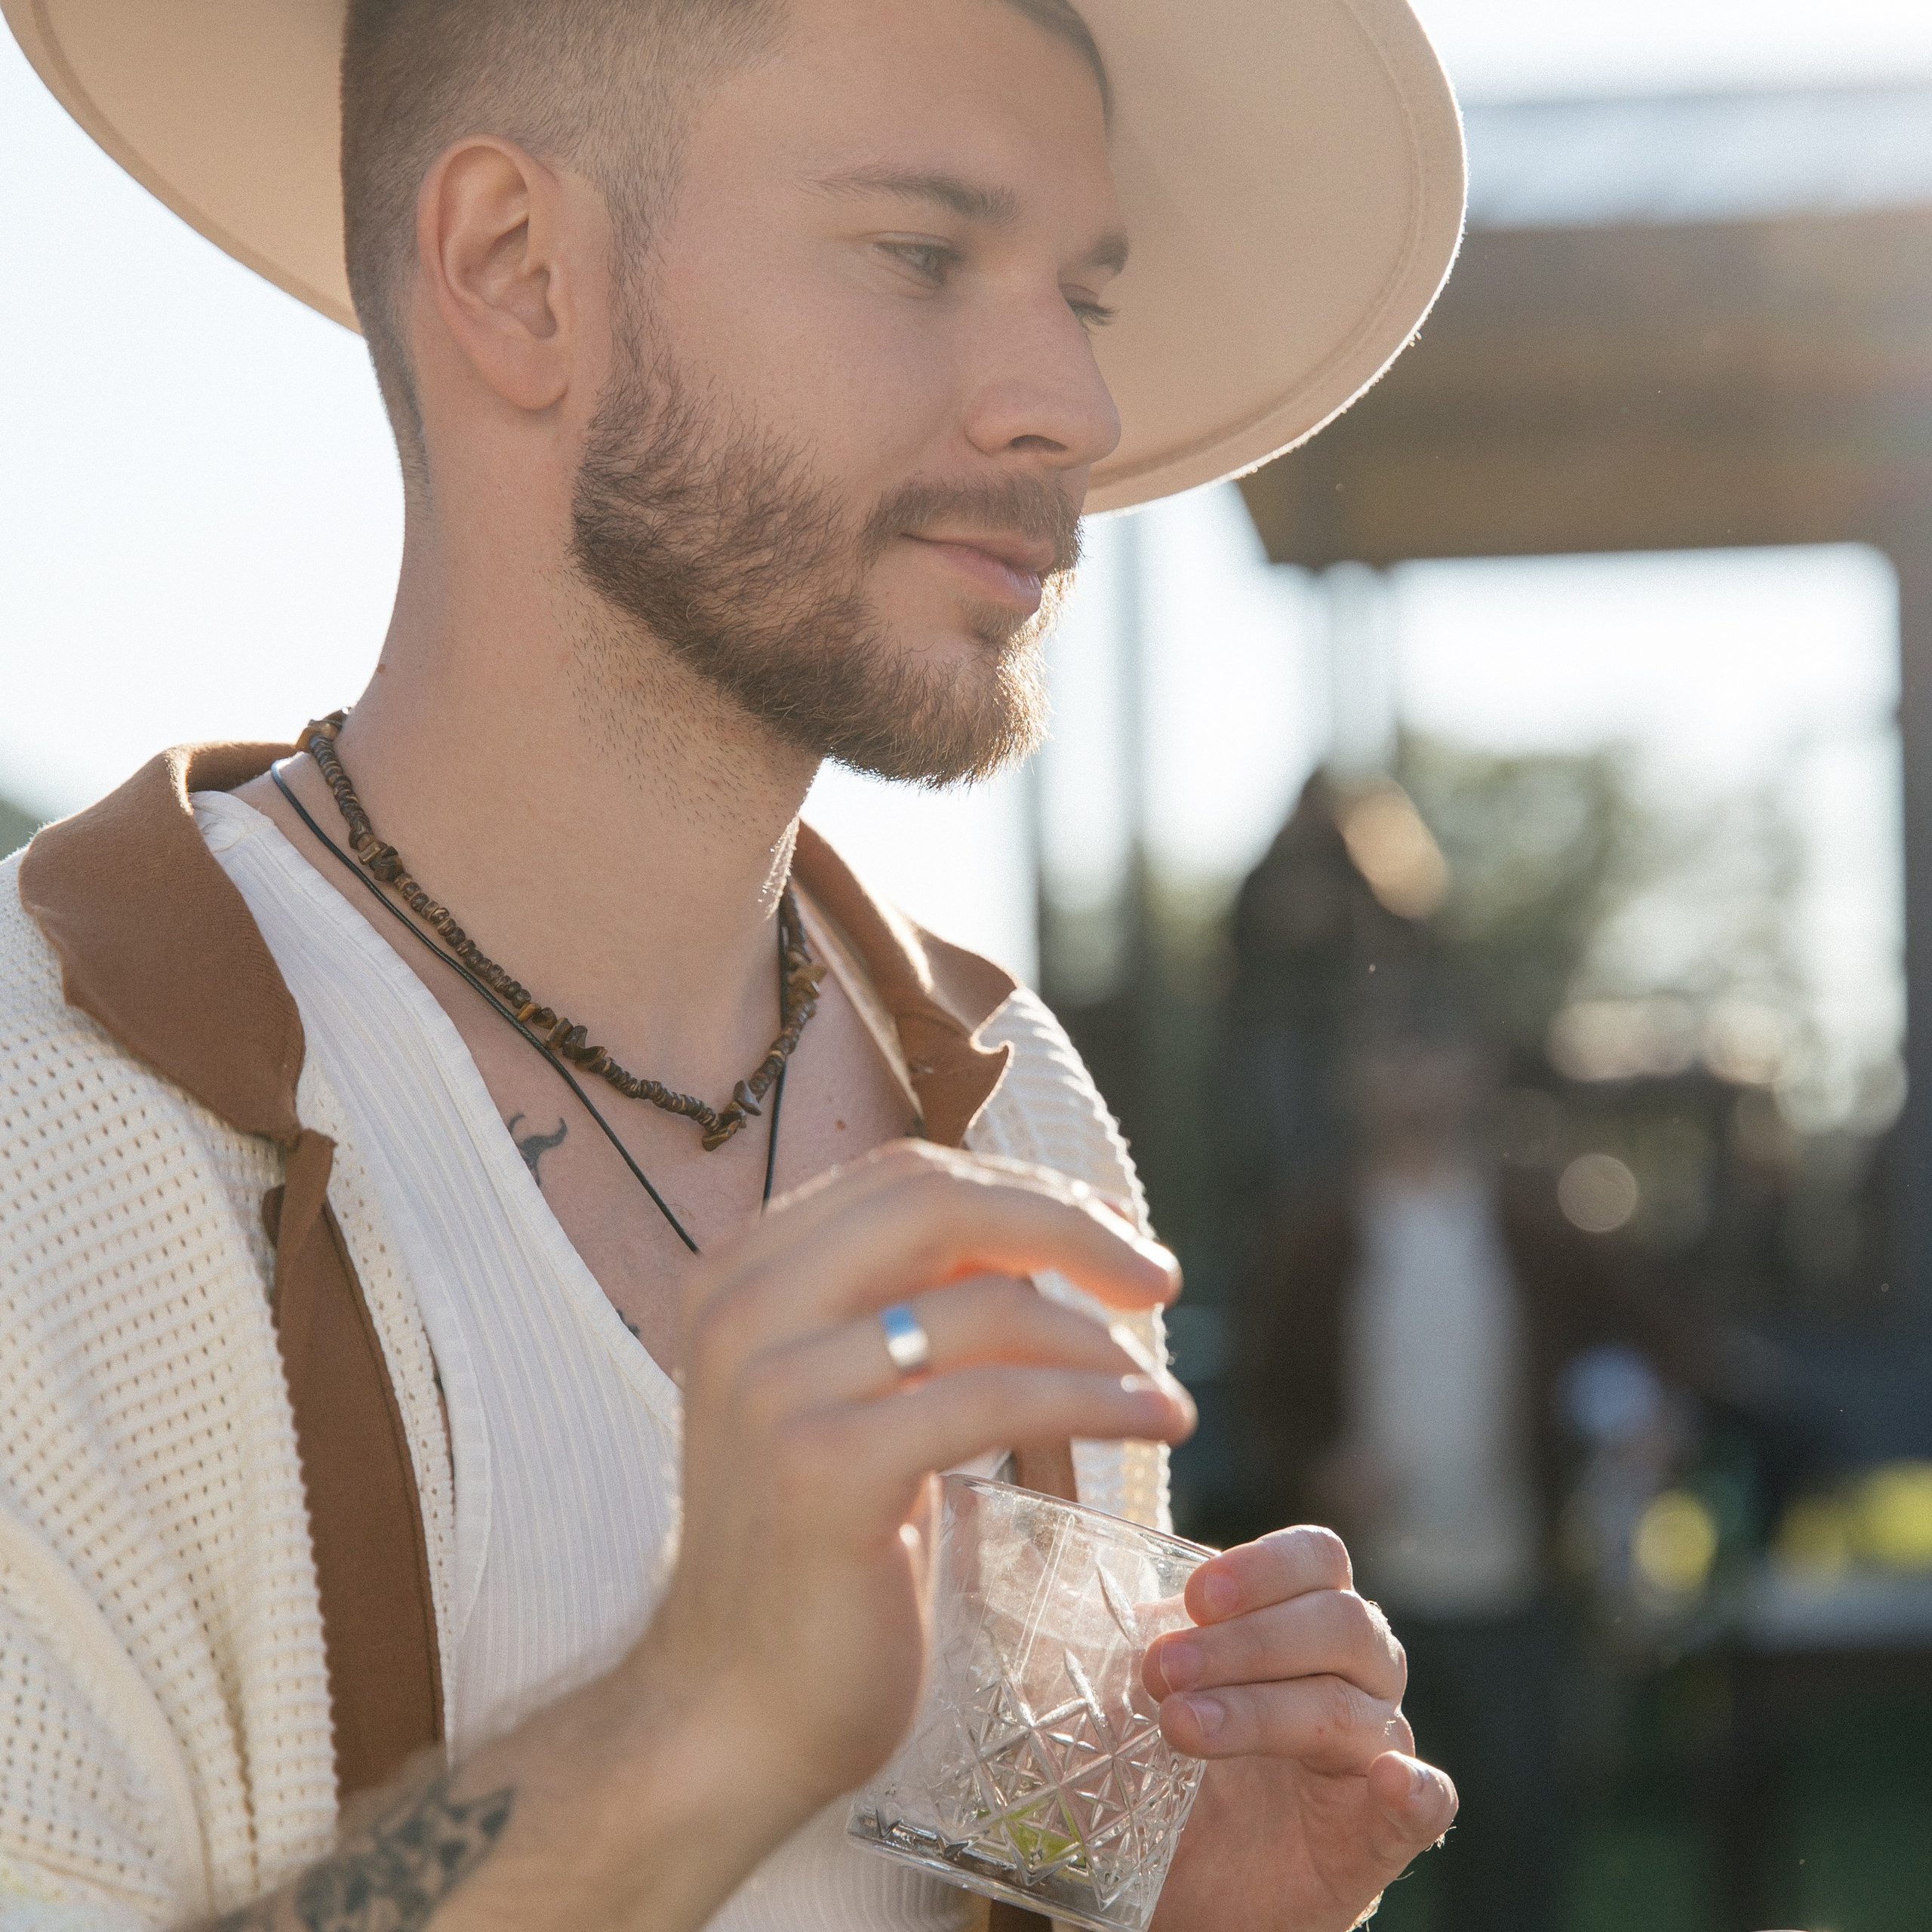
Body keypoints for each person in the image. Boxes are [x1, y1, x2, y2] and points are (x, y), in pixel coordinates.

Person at [0, 0, 1466, 1927]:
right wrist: (693, 1718)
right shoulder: (62, 1113)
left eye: (1081, 298)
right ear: (519, 275)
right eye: (922, 255)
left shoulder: (1010, 1106)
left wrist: (1168, 1913)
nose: (1072, 411)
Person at [1239, 965, 1700, 1932]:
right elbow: (1268, 1397)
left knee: (1518, 1851)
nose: (1410, 1081)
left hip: (1517, 1595)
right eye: (1387, 1057)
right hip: (1365, 1608)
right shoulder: (1317, 1236)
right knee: (1353, 1863)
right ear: (1355, 1078)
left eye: (1430, 1055)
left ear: (1473, 1072)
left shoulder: (1537, 1228)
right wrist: (1321, 1467)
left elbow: (1657, 1339)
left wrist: (1649, 1414)